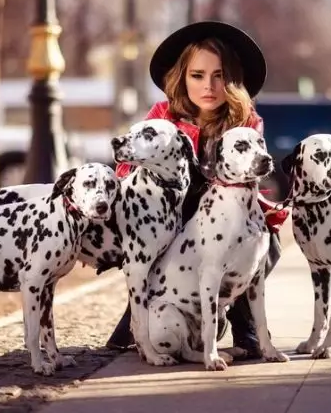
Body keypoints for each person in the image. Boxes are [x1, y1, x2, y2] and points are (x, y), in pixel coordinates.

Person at [104, 20, 290, 359]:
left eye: (219, 75)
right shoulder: (162, 115)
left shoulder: (245, 119)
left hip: (228, 207)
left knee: (267, 243)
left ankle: (242, 322)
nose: (209, 85)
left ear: (232, 79)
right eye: (198, 75)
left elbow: (251, 173)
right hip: (172, 209)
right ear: (182, 77)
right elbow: (129, 164)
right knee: (166, 242)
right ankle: (139, 318)